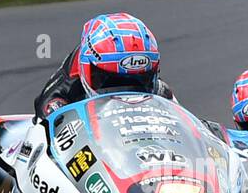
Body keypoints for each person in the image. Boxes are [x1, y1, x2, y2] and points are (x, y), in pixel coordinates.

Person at [34, 14, 171, 119]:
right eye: (111, 80)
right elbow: (42, 127)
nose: (126, 93)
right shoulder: (65, 87)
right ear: (86, 68)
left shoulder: (160, 89)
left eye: (140, 78)